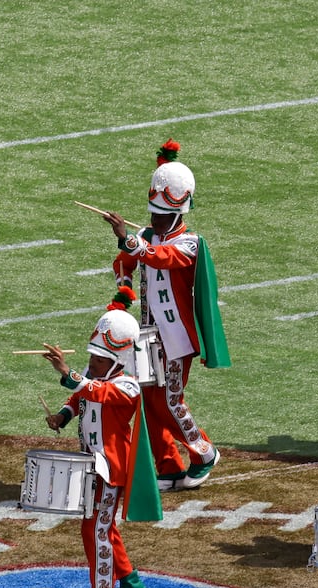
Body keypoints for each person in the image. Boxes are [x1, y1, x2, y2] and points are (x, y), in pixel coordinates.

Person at [105, 140, 228, 491]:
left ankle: (203, 452)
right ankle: (168, 464)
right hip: (146, 334)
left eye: (161, 214)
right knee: (147, 400)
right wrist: (124, 285)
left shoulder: (190, 243)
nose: (154, 218)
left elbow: (161, 257)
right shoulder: (147, 235)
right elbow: (124, 261)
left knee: (170, 401)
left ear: (178, 212)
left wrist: (129, 241)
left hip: (175, 338)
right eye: (153, 212)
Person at [41, 286, 160, 588]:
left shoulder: (128, 386)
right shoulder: (97, 374)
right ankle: (131, 584)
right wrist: (62, 417)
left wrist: (67, 374)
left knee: (96, 530)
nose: (91, 364)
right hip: (90, 465)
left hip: (110, 469)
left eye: (98, 359)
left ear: (117, 360)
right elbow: (81, 398)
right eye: (92, 358)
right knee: (100, 527)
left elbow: (95, 391)